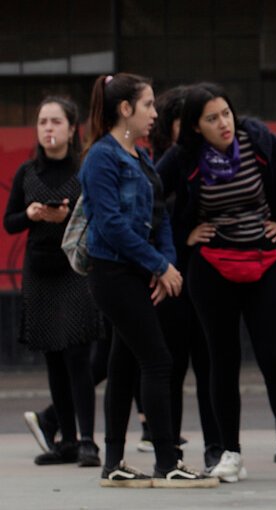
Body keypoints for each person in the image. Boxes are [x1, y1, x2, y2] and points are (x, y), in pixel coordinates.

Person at [156, 82, 276, 483]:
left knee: (275, 359)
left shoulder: (256, 138)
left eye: (226, 113)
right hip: (211, 269)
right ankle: (229, 452)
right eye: (212, 119)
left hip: (264, 263)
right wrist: (184, 236)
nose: (223, 123)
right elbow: (152, 193)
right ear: (197, 127)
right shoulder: (184, 156)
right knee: (222, 360)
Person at [79, 73, 215, 487]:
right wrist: (160, 266)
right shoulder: (101, 157)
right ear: (125, 109)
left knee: (124, 365)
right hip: (113, 273)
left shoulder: (140, 156)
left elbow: (161, 220)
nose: (156, 113)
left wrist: (165, 266)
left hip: (141, 272)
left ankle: (114, 464)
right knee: (157, 361)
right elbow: (110, 224)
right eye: (149, 105)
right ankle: (166, 461)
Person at [3, 96, 102, 467]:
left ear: (71, 128)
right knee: (55, 358)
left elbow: (97, 216)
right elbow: (10, 222)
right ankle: (67, 442)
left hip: (75, 270)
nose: (48, 129)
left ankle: (90, 440)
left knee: (78, 353)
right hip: (40, 271)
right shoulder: (27, 173)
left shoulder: (84, 168)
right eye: (42, 122)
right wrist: (30, 214)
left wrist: (67, 218)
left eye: (55, 121)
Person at [149, 85, 223, 469]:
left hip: (206, 278)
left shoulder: (215, 158)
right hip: (172, 277)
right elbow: (151, 217)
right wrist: (185, 236)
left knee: (208, 364)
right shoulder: (164, 163)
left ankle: (217, 447)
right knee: (173, 365)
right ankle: (170, 448)